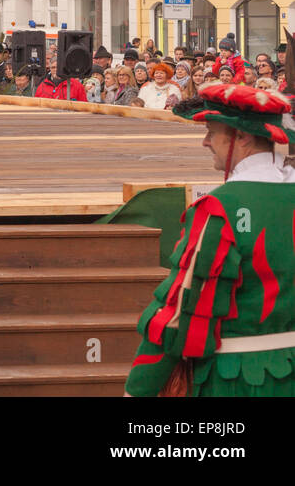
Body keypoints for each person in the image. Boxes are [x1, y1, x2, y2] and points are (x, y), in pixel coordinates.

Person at [126, 84, 295, 396]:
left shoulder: (217, 209)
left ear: (241, 136)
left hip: (236, 383)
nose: (205, 141)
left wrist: (138, 390)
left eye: (211, 131)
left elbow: (180, 311)